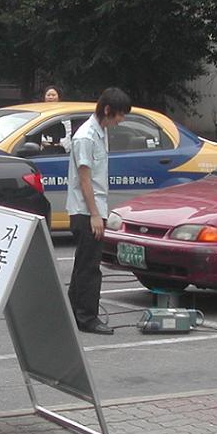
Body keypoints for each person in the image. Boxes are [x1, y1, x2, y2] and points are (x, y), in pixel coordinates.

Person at [67, 87, 131, 335]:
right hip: (85, 210)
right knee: (90, 267)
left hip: (94, 208)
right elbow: (85, 180)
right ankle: (87, 318)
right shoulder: (86, 137)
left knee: (83, 265)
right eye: (120, 115)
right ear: (107, 110)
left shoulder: (100, 131)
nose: (121, 120)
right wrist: (94, 214)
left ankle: (74, 313)